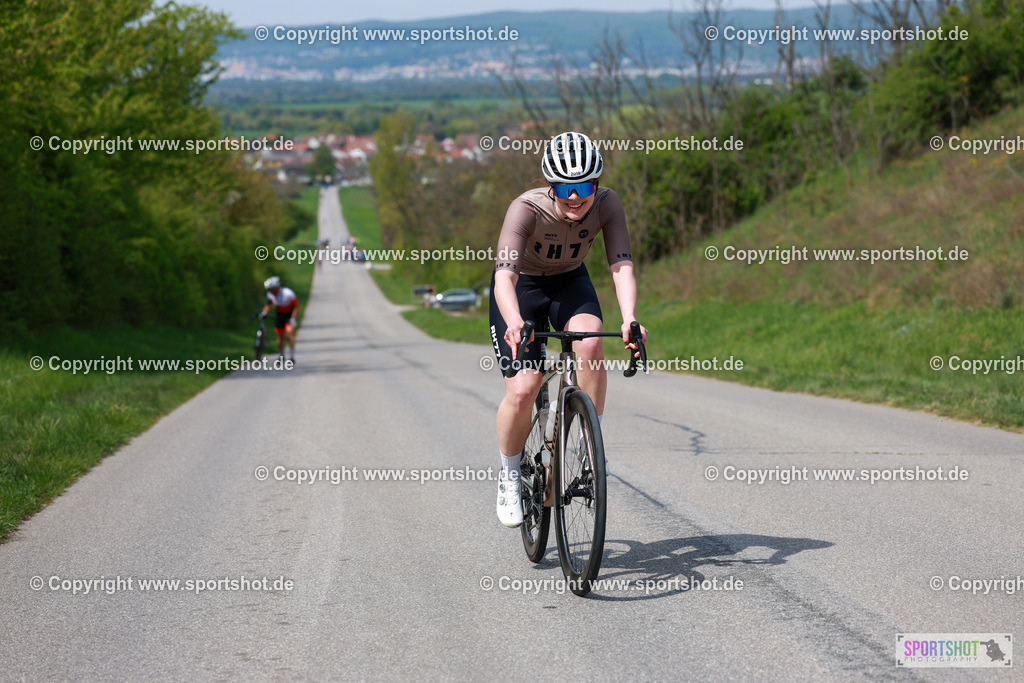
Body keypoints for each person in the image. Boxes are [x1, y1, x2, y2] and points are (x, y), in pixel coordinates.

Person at [489, 131, 647, 528]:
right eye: (564, 187)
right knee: (523, 388)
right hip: (521, 288)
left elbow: (621, 264)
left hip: (569, 281)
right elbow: (503, 278)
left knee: (591, 342)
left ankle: (588, 446)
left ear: (596, 183)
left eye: (584, 186)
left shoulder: (608, 204)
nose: (575, 197)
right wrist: (513, 323)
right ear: (550, 185)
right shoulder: (525, 209)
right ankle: (509, 475)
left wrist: (629, 317)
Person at [260, 276, 299, 364]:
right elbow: (268, 305)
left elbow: (296, 306)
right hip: (280, 314)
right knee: (280, 336)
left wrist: (293, 318)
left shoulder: (288, 293)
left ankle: (291, 357)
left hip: (290, 313)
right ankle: (281, 355)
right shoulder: (270, 294)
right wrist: (264, 313)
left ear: (276, 287)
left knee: (289, 332)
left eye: (270, 289)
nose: (269, 291)